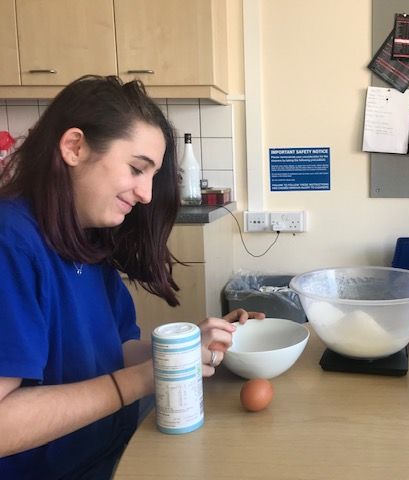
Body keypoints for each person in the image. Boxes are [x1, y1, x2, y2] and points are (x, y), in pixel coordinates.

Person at [0, 75, 263, 479]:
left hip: (113, 450)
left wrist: (190, 349)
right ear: (74, 146)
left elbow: (114, 350)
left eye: (152, 177)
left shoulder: (88, 239)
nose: (146, 195)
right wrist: (138, 382)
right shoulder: (12, 245)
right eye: (137, 169)